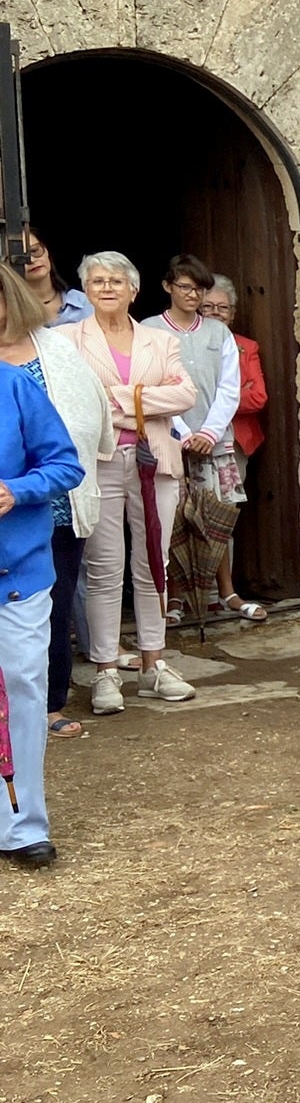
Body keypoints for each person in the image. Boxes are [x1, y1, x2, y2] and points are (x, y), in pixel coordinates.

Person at [64, 252, 198, 712]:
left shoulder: (158, 341)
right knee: (104, 568)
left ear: (133, 291)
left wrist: (122, 398)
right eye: (97, 281)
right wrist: (143, 401)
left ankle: (153, 664)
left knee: (153, 564)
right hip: (99, 462)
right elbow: (74, 401)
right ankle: (104, 671)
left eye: (116, 281)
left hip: (153, 460)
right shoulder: (66, 340)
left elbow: (186, 393)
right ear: (85, 290)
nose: (106, 288)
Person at [0, 266, 110, 745]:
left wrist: (21, 488)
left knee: (56, 604)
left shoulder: (53, 349)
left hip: (51, 503)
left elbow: (87, 414)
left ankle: (48, 705)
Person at [0, 352, 85, 866]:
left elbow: (65, 464)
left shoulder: (14, 386)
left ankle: (22, 823)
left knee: (23, 685)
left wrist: (16, 489)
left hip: (18, 574)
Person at [140, 255, 242, 626]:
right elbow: (151, 385)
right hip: (168, 441)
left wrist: (209, 433)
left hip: (214, 441)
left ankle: (225, 591)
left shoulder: (219, 333)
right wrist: (183, 433)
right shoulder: (150, 330)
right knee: (173, 520)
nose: (193, 295)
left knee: (216, 518)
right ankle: (176, 596)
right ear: (168, 286)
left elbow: (229, 388)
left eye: (199, 289)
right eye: (185, 287)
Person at [198, 278, 270, 621]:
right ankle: (189, 596)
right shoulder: (184, 341)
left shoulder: (245, 347)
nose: (214, 313)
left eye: (222, 307)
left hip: (233, 442)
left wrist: (215, 400)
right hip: (188, 438)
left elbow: (258, 397)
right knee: (185, 516)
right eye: (207, 306)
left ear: (233, 313)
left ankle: (220, 593)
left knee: (223, 517)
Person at [18, 227, 89, 326]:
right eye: (21, 257)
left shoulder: (85, 303)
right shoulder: (10, 312)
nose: (32, 260)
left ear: (47, 251)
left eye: (35, 251)